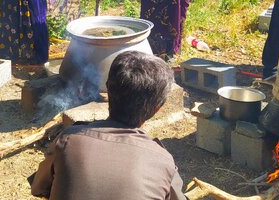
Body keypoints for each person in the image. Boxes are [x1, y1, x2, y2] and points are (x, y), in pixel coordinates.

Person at [30, 50, 186, 200]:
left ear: (108, 89)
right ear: (158, 108)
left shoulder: (69, 140)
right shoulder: (163, 162)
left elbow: (38, 188)